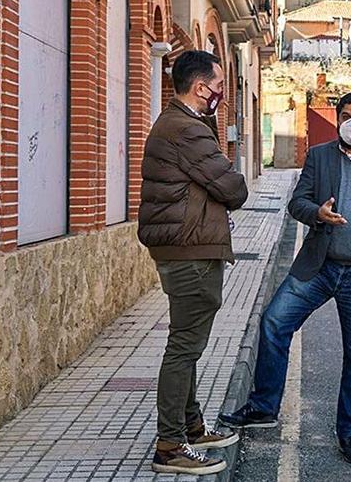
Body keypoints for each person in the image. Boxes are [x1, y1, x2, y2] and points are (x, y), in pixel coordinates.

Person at [221, 92, 351, 464]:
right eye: (346, 116)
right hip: (320, 264)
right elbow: (298, 201)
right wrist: (317, 213)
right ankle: (263, 407)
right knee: (274, 322)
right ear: (338, 119)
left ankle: (350, 431)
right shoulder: (319, 155)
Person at [138, 50, 249, 475]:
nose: (222, 93)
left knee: (187, 343)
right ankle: (170, 445)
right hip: (191, 251)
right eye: (219, 86)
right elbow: (233, 188)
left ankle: (191, 426)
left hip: (185, 247)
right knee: (184, 347)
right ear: (201, 88)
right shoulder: (188, 130)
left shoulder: (179, 124)